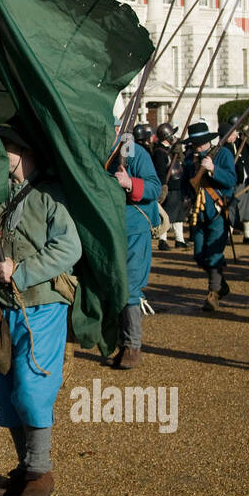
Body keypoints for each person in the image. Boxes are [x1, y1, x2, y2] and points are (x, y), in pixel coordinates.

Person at [0, 123, 82, 496]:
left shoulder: (50, 194)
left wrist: (22, 270)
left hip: (41, 305)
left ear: (25, 153)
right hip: (1, 309)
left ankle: (41, 470)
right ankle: (25, 468)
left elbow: (69, 247)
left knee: (32, 389)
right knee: (7, 390)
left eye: (5, 148)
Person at [110, 119, 160, 367]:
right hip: (106, 229)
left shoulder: (132, 151)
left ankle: (132, 345)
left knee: (129, 286)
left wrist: (130, 183)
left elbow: (154, 187)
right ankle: (115, 342)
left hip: (134, 227)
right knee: (111, 285)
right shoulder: (92, 150)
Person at [182, 121, 236, 312]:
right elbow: (185, 183)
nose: (196, 146)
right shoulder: (190, 158)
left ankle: (213, 294)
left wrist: (213, 168)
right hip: (197, 213)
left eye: (200, 143)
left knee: (213, 255)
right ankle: (220, 283)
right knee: (199, 255)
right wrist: (186, 199)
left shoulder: (223, 154)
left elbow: (231, 180)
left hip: (217, 212)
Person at [153, 123, 186, 249]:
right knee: (166, 214)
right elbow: (160, 171)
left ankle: (180, 239)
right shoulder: (160, 152)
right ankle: (162, 240)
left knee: (178, 214)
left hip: (177, 184)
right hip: (168, 186)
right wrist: (163, 185)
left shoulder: (171, 150)